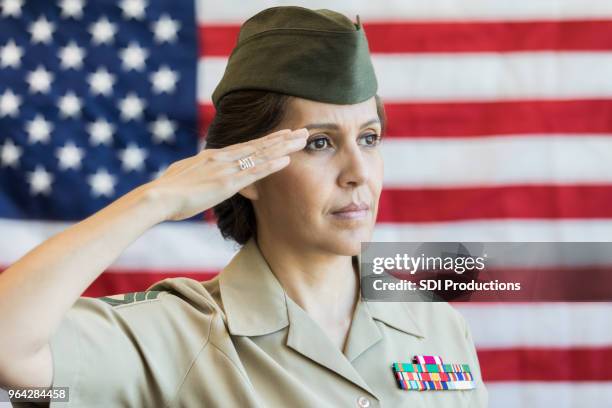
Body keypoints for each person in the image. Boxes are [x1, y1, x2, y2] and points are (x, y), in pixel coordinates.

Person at [0, 6, 488, 407]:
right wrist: (160, 197)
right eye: (319, 143)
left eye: (369, 137)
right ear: (247, 170)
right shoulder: (178, 335)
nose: (359, 171)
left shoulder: (435, 326)